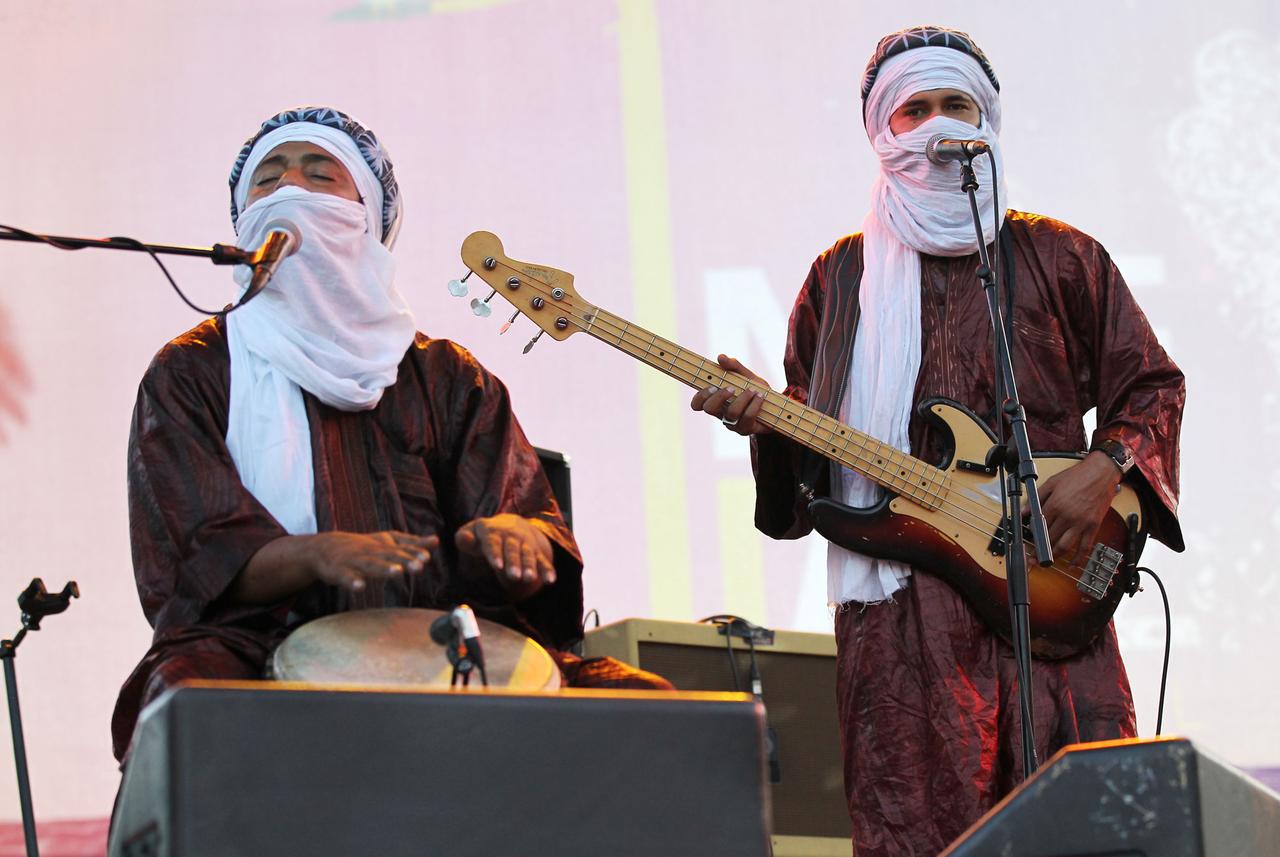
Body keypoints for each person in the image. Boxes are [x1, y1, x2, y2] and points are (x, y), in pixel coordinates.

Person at [690, 26, 1185, 856]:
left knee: (1087, 825)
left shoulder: (1061, 255)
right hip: (901, 633)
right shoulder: (837, 279)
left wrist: (1108, 465)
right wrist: (767, 426)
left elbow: (1153, 385)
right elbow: (807, 483)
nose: (936, 127)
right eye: (913, 110)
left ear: (987, 121)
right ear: (882, 132)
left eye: (955, 105)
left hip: (1052, 598)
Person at [112, 106, 669, 763]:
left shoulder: (446, 376)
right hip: (252, 645)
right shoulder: (195, 369)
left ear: (368, 220)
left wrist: (518, 543)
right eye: (267, 178)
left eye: (320, 173)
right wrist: (317, 555)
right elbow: (190, 555)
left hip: (445, 642)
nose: (290, 186)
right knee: (184, 702)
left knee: (649, 710)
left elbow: (527, 527)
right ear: (242, 224)